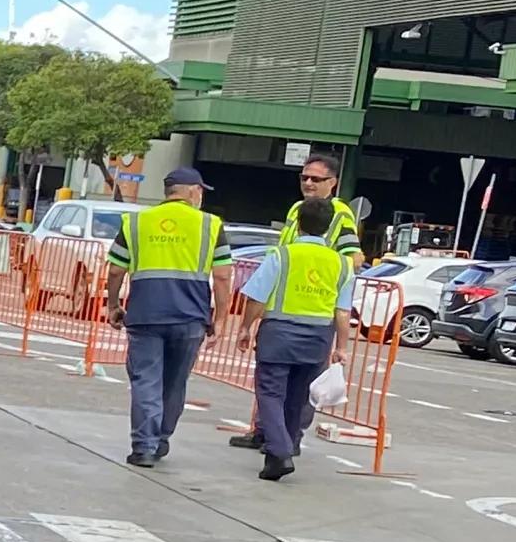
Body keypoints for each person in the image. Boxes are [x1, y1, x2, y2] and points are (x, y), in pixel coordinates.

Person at [230, 196, 356, 481]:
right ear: (327, 228)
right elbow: (343, 312)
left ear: (298, 224)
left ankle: (280, 450)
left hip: (279, 333)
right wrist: (342, 348)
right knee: (298, 397)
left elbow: (257, 298)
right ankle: (285, 448)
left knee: (270, 393)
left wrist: (246, 328)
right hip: (318, 337)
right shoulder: (342, 264)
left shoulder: (282, 255)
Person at [109, 166, 221, 468]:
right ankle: (160, 440)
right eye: (200, 192)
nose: (201, 197)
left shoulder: (136, 222)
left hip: (145, 315)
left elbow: (117, 268)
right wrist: (219, 317)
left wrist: (113, 304)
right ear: (192, 191)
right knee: (174, 382)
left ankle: (143, 446)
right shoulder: (211, 224)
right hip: (191, 317)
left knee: (146, 380)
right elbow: (223, 277)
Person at [286, 151, 361, 268]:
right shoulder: (296, 208)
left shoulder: (341, 211)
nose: (308, 183)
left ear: (332, 182)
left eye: (315, 179)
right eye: (304, 178)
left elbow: (354, 259)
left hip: (318, 282)